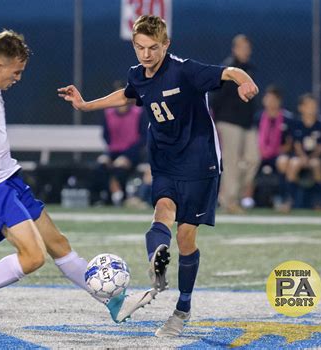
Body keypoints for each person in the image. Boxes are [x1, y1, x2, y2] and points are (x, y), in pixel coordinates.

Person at [0, 31, 155, 338]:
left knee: (59, 244)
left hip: (9, 177)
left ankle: (114, 302)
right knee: (33, 258)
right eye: (15, 72)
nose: (17, 78)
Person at [58, 15, 258, 337]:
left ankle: (182, 308)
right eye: (140, 47)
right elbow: (128, 95)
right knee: (162, 210)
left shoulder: (185, 70)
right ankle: (157, 260)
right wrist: (85, 106)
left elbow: (228, 72)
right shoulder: (137, 74)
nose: (146, 55)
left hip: (199, 162)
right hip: (164, 160)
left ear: (166, 45)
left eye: (153, 48)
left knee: (185, 238)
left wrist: (244, 80)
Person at [210, 34, 259, 213]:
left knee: (253, 159)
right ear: (234, 49)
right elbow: (216, 97)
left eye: (247, 48)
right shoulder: (228, 69)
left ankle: (235, 195)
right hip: (229, 121)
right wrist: (217, 120)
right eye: (241, 47)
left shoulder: (250, 68)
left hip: (247, 123)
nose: (245, 51)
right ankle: (229, 201)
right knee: (231, 161)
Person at [93, 80, 147, 206]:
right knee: (101, 166)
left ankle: (119, 198)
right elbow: (106, 136)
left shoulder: (138, 112)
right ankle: (105, 198)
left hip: (133, 153)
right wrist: (109, 155)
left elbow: (144, 137)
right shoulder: (108, 114)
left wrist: (127, 156)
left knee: (120, 169)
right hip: (114, 152)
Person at [284, 93, 321, 211]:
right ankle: (289, 200)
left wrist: (311, 157)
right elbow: (296, 144)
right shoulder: (296, 123)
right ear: (301, 108)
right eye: (308, 105)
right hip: (300, 156)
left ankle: (318, 201)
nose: (312, 108)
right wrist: (303, 157)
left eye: (314, 105)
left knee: (316, 164)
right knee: (293, 163)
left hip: (315, 157)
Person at [256, 85, 294, 207]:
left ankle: (283, 198)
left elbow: (290, 142)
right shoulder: (258, 117)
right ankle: (247, 199)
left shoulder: (287, 118)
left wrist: (276, 151)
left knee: (283, 162)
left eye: (273, 99)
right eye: (268, 98)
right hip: (260, 153)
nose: (270, 102)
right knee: (248, 161)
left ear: (279, 101)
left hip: (279, 154)